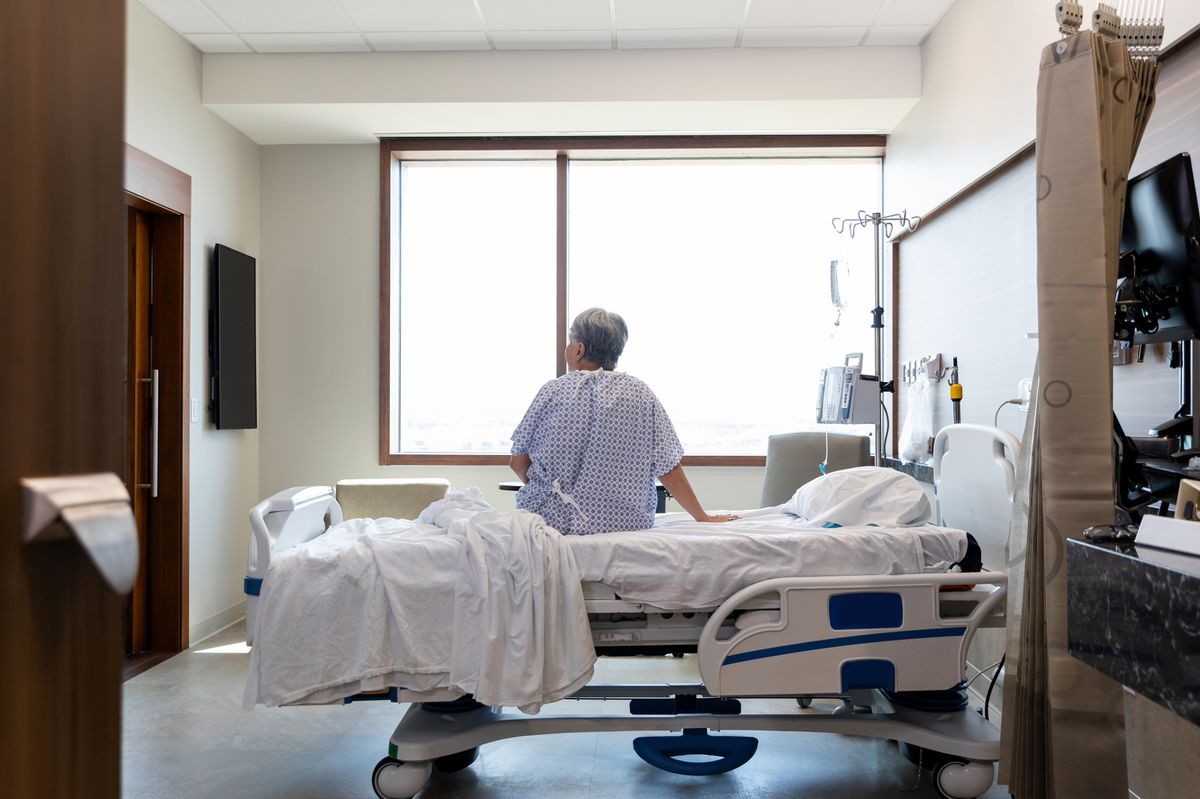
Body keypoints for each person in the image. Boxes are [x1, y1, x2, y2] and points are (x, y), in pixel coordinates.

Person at [509, 307, 739, 535]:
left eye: (570, 342)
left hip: (554, 524)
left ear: (579, 349)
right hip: (628, 524)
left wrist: (550, 494)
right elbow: (668, 467)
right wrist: (702, 516)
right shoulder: (641, 393)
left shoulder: (554, 391)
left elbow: (518, 462)